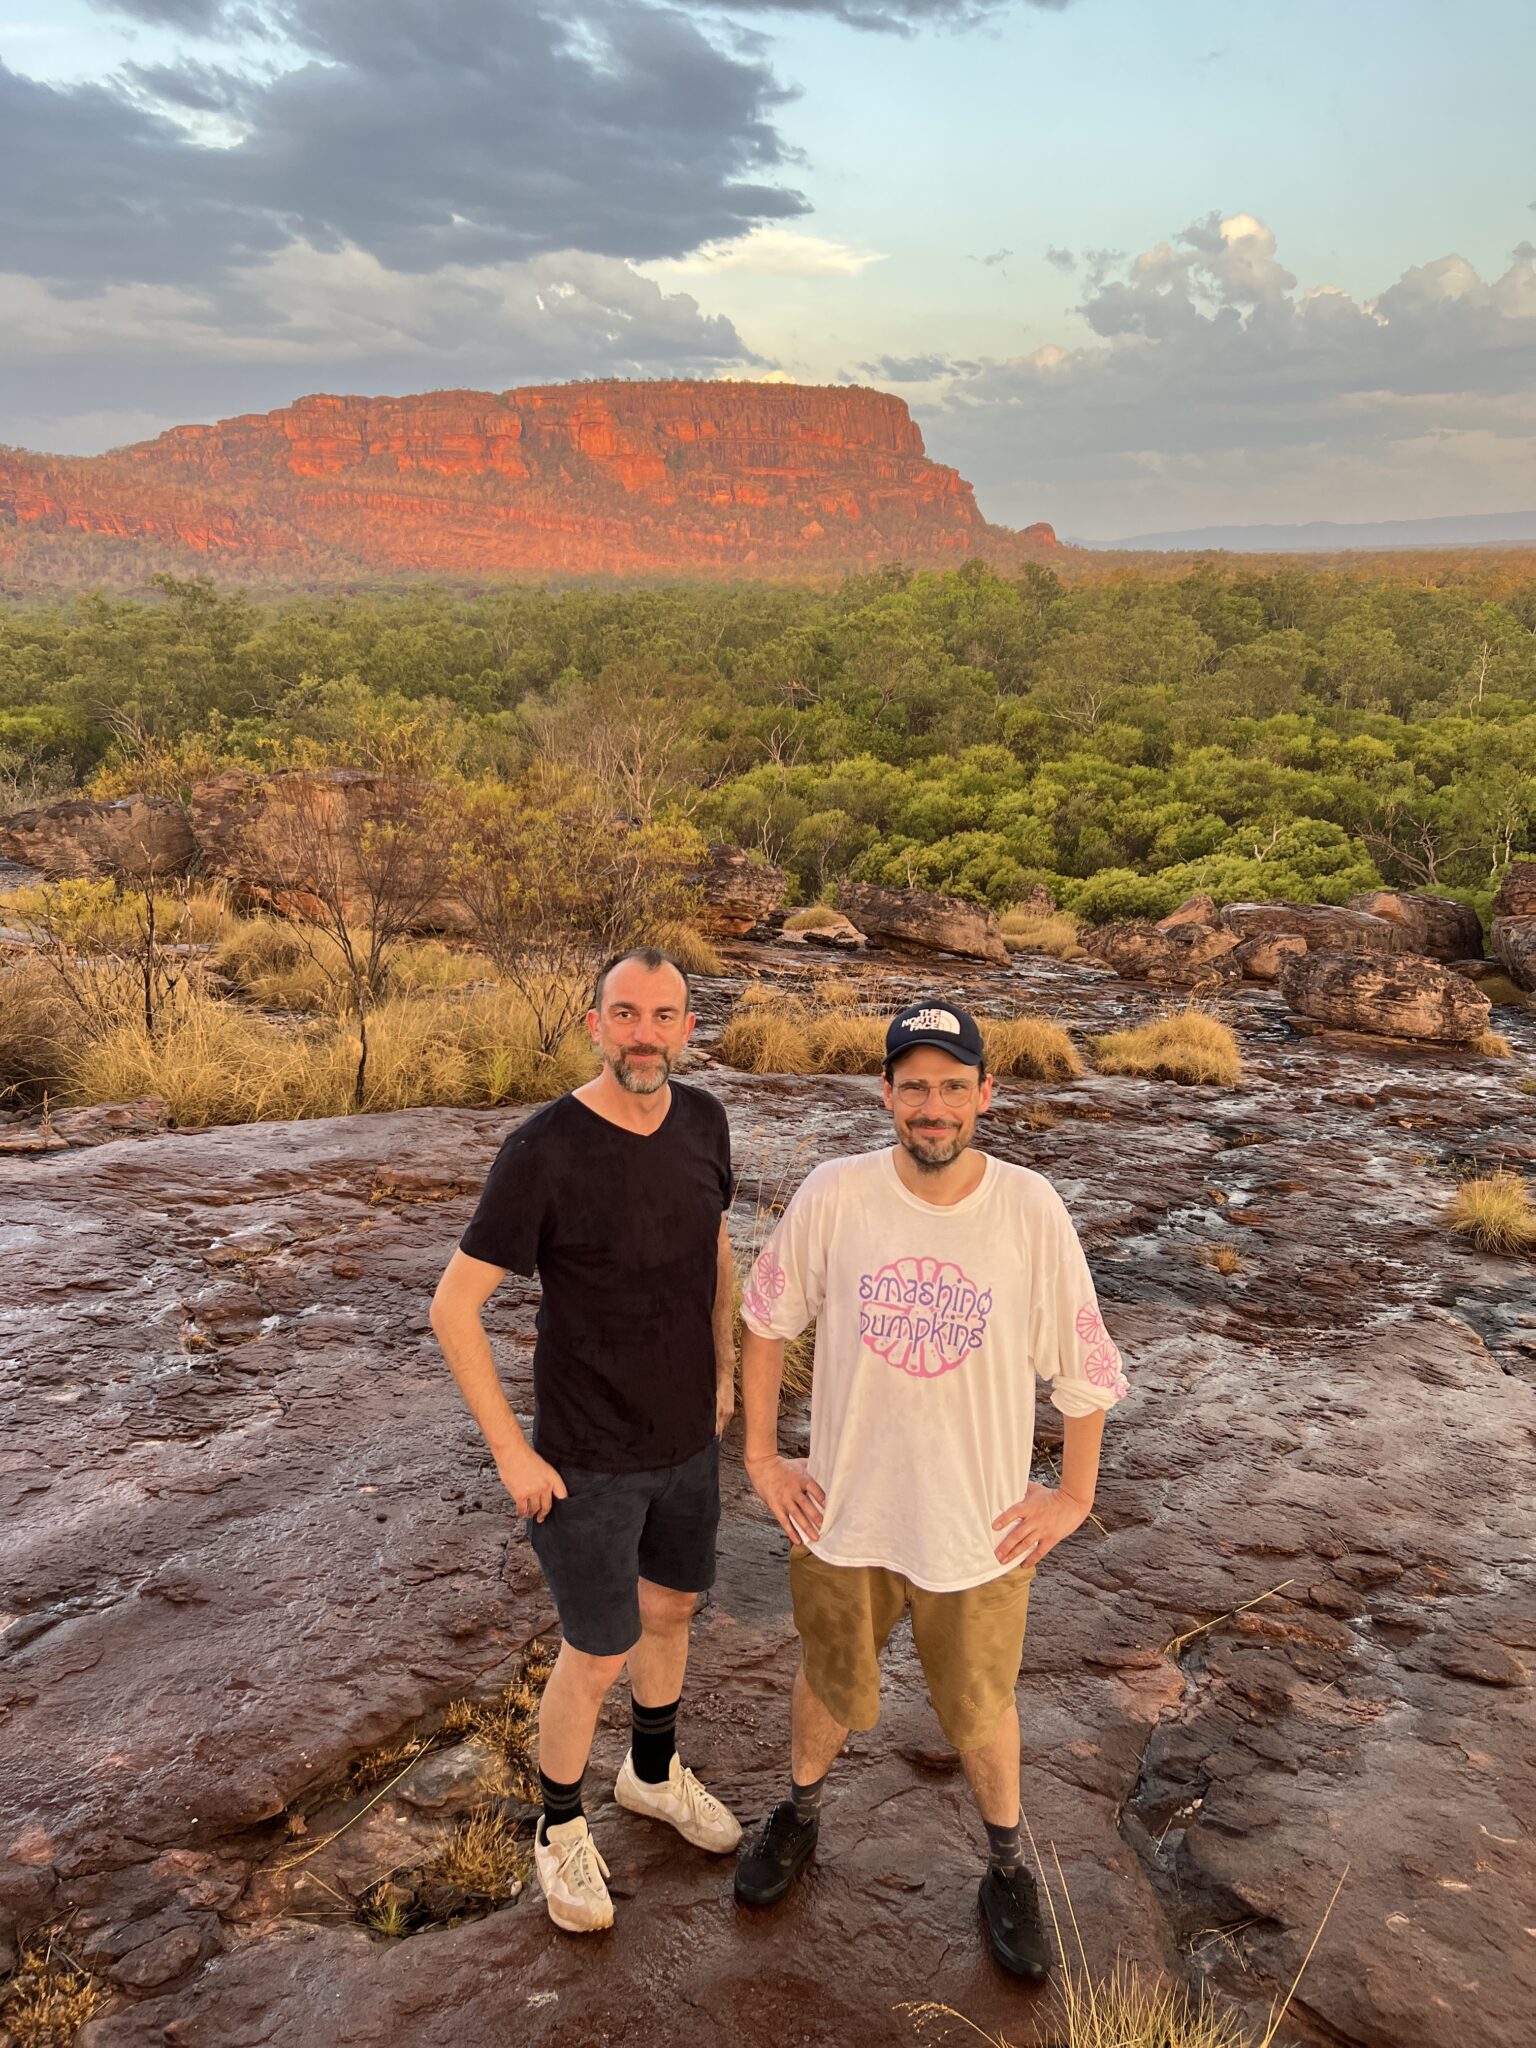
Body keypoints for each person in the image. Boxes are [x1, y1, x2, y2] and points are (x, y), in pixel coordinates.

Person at [733, 999, 1129, 1977]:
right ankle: (801, 1812)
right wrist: (762, 1456)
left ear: (986, 1092)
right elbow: (765, 1314)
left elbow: (1086, 1362)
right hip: (843, 1514)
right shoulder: (836, 1191)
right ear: (888, 1094)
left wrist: (1072, 1495)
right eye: (915, 1085)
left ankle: (1005, 1862)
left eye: (954, 1084)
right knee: (826, 1677)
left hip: (978, 1527)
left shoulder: (1030, 1208)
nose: (934, 1105)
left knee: (984, 1704)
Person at [430, 948, 742, 1936]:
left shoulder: (705, 1121)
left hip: (688, 1438)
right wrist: (512, 1453)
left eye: (664, 1013)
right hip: (588, 1456)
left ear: (689, 1025)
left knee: (674, 1609)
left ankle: (651, 1773)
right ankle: (559, 1826)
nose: (644, 1032)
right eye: (625, 1013)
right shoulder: (543, 1148)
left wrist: (726, 1370)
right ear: (594, 1022)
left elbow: (718, 1244)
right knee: (597, 1647)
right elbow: (454, 1307)